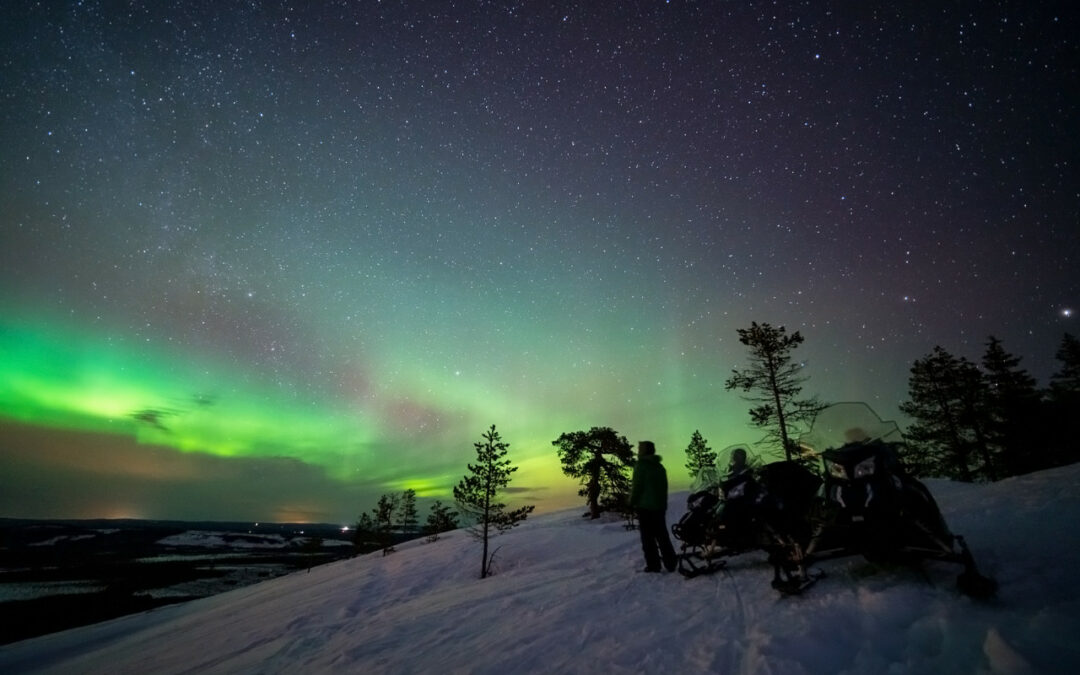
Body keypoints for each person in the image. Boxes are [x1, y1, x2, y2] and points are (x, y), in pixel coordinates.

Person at [630, 440, 677, 573]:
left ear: (643, 450)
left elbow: (637, 487)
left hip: (645, 507)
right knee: (662, 536)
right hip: (659, 507)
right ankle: (671, 563)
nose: (638, 450)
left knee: (647, 538)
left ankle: (653, 565)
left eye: (639, 448)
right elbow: (663, 487)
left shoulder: (641, 466)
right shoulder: (659, 467)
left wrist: (631, 502)